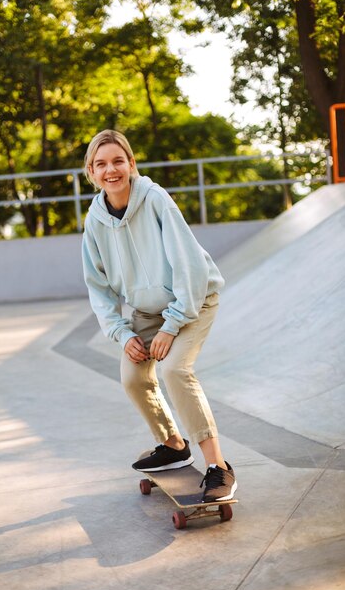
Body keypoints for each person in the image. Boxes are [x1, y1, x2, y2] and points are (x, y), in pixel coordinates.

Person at [81, 129, 237, 502]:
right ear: (91, 172)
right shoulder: (94, 221)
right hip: (147, 311)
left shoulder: (156, 201)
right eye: (101, 164)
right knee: (133, 376)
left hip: (194, 300)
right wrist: (122, 333)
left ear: (131, 164)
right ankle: (172, 444)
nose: (111, 170)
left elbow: (189, 270)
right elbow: (97, 288)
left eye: (118, 161)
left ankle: (219, 467)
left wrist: (172, 325)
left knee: (174, 370)